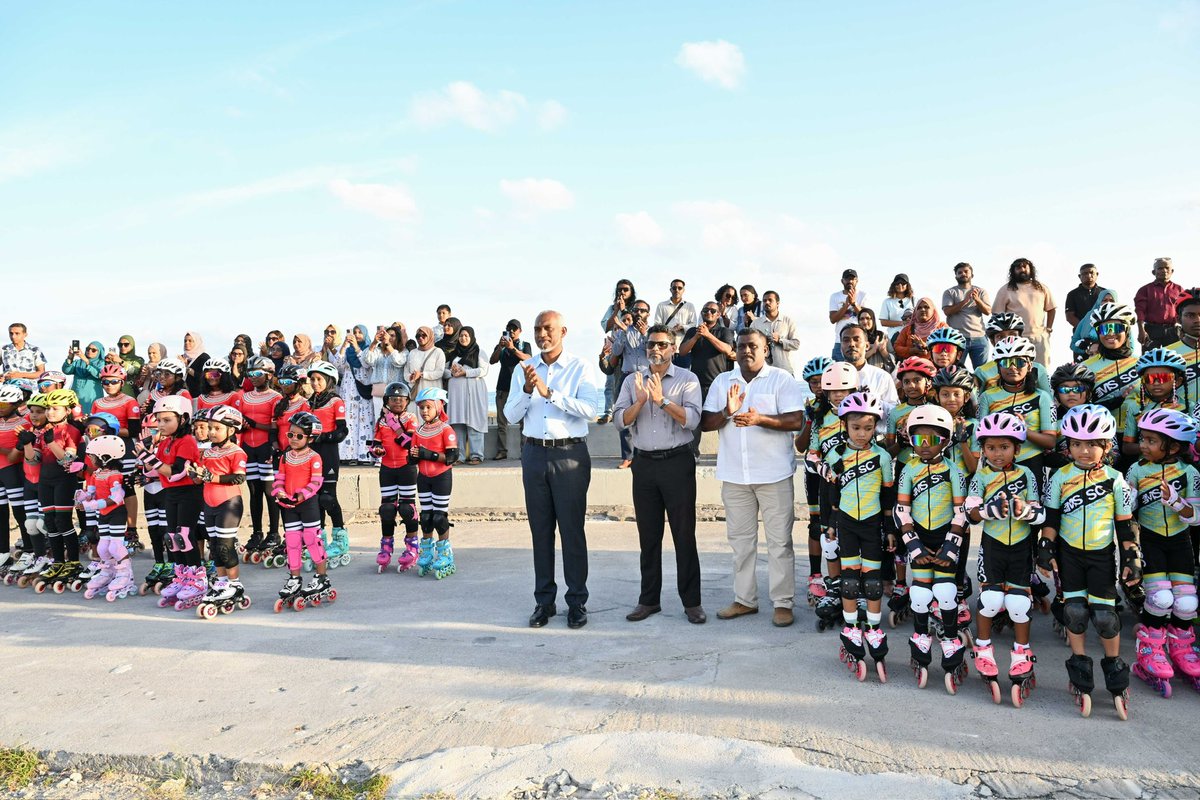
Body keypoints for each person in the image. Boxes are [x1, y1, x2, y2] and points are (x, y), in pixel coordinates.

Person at [701, 328, 805, 627]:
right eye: (742, 346)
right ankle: (744, 600)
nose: (747, 351)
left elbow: (795, 420)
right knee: (741, 543)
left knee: (779, 543)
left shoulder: (781, 379)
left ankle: (783, 603)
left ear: (766, 349)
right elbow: (707, 423)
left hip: (773, 475)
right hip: (735, 476)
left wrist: (760, 419)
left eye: (753, 346)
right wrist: (728, 411)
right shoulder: (724, 381)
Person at [1039, 405, 1138, 719]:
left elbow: (1124, 524)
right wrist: (1046, 547)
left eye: (1092, 444)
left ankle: (1115, 671)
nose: (1084, 450)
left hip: (1100, 556)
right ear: (1068, 446)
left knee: (1106, 617)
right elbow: (1052, 518)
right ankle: (1080, 666)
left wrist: (1132, 557)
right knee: (1075, 612)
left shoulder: (1115, 479)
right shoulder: (1060, 477)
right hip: (1070, 555)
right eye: (1077, 444)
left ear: (1106, 446)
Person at [505, 311, 597, 630]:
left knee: (572, 531)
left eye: (548, 328)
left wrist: (550, 394)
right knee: (540, 532)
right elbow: (509, 414)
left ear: (563, 331)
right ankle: (544, 602)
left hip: (569, 455)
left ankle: (577, 602)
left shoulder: (579, 368)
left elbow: (592, 410)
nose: (543, 334)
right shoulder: (524, 369)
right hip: (533, 454)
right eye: (538, 329)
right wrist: (530, 391)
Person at [613, 325, 705, 624]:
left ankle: (691, 602)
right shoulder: (632, 381)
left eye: (663, 344)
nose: (656, 349)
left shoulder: (687, 379)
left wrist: (662, 400)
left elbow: (692, 420)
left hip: (677, 462)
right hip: (644, 465)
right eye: (652, 344)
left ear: (673, 348)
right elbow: (619, 422)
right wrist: (640, 400)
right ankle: (648, 600)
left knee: (683, 535)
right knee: (648, 536)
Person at [966, 412, 1044, 705]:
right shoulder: (980, 476)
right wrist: (987, 511)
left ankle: (1021, 651)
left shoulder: (1027, 475)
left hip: (1022, 546)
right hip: (993, 545)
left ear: (1017, 448)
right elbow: (970, 514)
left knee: (1019, 604)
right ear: (983, 449)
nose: (997, 454)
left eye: (1004, 447)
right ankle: (983, 649)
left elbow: (1041, 513)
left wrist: (1026, 510)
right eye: (991, 448)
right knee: (990, 601)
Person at [1124, 408, 1200, 693]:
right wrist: (1127, 498)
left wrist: (1177, 502)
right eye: (1143, 438)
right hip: (1151, 539)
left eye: (1151, 440)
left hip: (1180, 540)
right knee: (1161, 597)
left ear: (1174, 446)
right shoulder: (1137, 469)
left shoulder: (1189, 472)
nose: (1143, 444)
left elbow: (1196, 517)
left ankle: (1182, 648)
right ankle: (1150, 648)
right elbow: (1126, 511)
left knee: (1187, 603)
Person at [819, 390, 893, 680]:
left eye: (868, 427)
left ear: (876, 426)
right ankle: (850, 627)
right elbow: (830, 494)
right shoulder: (836, 455)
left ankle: (874, 629)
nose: (862, 434)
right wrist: (829, 524)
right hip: (847, 523)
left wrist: (889, 529)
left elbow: (887, 495)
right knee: (849, 580)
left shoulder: (882, 456)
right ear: (845, 425)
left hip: (872, 523)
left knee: (872, 583)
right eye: (856, 427)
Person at [896, 405, 970, 690]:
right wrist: (912, 543)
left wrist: (950, 545)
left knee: (946, 592)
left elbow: (961, 510)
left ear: (947, 440)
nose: (925, 446)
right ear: (910, 440)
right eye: (918, 440)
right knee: (920, 594)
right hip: (919, 537)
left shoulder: (953, 470)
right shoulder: (908, 469)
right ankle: (920, 639)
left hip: (945, 536)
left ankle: (950, 640)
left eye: (933, 440)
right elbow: (901, 509)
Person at [188, 405, 249, 616]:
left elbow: (239, 477)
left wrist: (210, 477)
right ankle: (222, 583)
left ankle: (235, 584)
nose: (211, 432)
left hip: (228, 503)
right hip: (209, 503)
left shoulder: (237, 451)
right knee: (214, 547)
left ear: (231, 430)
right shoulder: (208, 452)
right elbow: (200, 479)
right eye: (210, 428)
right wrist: (193, 474)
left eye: (217, 428)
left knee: (225, 547)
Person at [272, 411, 336, 612]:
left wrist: (301, 495)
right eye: (290, 434)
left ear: (310, 437)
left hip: (307, 504)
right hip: (289, 505)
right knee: (291, 542)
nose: (293, 439)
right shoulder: (285, 457)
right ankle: (294, 579)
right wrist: (279, 492)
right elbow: (279, 478)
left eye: (299, 436)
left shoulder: (314, 457)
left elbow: (317, 481)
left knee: (311, 539)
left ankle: (321, 578)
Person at [234, 355, 283, 560]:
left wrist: (252, 423)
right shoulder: (243, 397)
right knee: (253, 491)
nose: (253, 378)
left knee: (269, 491)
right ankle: (257, 533)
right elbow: (237, 421)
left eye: (257, 374)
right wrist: (240, 424)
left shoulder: (276, 397)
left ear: (269, 375)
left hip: (266, 447)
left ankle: (273, 533)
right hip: (248, 447)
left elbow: (275, 426)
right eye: (250, 374)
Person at [408, 387, 459, 579]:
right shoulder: (418, 431)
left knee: (439, 517)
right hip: (423, 477)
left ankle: (445, 552)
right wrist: (412, 457)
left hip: (441, 477)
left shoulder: (446, 429)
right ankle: (427, 551)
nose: (424, 412)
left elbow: (453, 456)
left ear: (439, 406)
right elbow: (412, 457)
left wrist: (427, 455)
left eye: (428, 407)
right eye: (421, 408)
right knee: (426, 517)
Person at [369, 381, 420, 573]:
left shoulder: (411, 418)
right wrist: (377, 451)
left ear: (407, 401)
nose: (397, 402)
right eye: (393, 399)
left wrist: (393, 423)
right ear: (387, 401)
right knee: (387, 509)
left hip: (406, 468)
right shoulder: (380, 422)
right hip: (387, 468)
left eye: (401, 399)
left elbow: (407, 443)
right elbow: (374, 445)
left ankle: (412, 546)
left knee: (407, 508)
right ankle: (386, 546)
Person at [305, 360, 351, 566]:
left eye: (319, 379)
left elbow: (343, 431)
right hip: (310, 455)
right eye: (312, 379)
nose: (315, 383)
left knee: (327, 497)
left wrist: (323, 437)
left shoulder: (335, 401)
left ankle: (340, 540)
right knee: (313, 498)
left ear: (329, 381)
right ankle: (319, 538)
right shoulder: (309, 402)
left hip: (328, 452)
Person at [1119, 349, 1190, 458]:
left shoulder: (1189, 407)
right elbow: (1126, 447)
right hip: (1145, 470)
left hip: (1182, 468)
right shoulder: (1135, 408)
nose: (1156, 383)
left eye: (1164, 378)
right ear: (1143, 382)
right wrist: (1153, 447)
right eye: (1150, 379)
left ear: (1178, 381)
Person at [608, 299, 652, 468]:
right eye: (636, 309)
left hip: (646, 378)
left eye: (643, 310)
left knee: (647, 416)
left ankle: (643, 455)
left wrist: (644, 335)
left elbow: (656, 353)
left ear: (648, 313)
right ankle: (627, 456)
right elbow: (616, 352)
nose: (639, 312)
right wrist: (625, 332)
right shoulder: (624, 330)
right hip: (627, 377)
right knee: (624, 416)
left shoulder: (653, 331)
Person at [993, 258, 1056, 367]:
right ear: (1013, 271)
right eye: (1018, 268)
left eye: (1025, 267)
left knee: (1042, 369)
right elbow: (996, 314)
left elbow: (1051, 308)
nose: (1022, 270)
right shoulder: (1005, 290)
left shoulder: (1041, 288)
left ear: (1030, 269)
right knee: (1017, 369)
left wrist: (1048, 329)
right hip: (1016, 338)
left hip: (1039, 337)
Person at [331, 325, 377, 466]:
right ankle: (348, 455)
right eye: (354, 332)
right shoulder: (348, 351)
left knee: (365, 421)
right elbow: (337, 364)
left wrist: (357, 347)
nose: (356, 335)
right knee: (349, 421)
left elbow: (366, 364)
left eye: (359, 332)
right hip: (348, 389)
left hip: (364, 388)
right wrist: (344, 345)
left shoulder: (370, 349)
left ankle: (365, 455)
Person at [444, 326, 489, 464]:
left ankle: (476, 455)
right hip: (456, 395)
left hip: (474, 393)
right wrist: (452, 372)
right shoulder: (453, 354)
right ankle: (459, 456)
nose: (463, 338)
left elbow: (483, 370)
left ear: (472, 337)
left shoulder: (479, 352)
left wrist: (465, 373)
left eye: (466, 336)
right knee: (457, 425)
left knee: (474, 423)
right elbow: (443, 372)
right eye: (461, 335)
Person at [489, 319, 532, 460]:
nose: (512, 331)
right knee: (502, 422)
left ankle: (525, 451)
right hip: (503, 387)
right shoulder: (501, 346)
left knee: (523, 422)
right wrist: (501, 348)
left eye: (515, 329)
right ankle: (502, 451)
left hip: (520, 388)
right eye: (509, 329)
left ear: (520, 331)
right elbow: (492, 360)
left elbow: (528, 358)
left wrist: (512, 348)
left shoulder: (525, 345)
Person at [837, 325, 899, 420]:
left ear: (867, 346)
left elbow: (894, 412)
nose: (851, 344)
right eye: (846, 340)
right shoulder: (833, 377)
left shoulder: (882, 377)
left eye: (856, 339)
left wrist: (870, 401)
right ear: (841, 346)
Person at [599, 280, 637, 423]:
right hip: (614, 347)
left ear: (631, 291)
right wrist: (616, 310)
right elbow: (606, 327)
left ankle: (628, 411)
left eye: (626, 289)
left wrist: (625, 310)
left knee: (629, 380)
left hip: (631, 349)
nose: (622, 292)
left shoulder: (635, 308)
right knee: (610, 381)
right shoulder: (611, 308)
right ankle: (609, 411)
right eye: (619, 289)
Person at [941, 263, 992, 369]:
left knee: (981, 372)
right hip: (957, 339)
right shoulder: (950, 292)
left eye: (966, 272)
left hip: (979, 338)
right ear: (956, 276)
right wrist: (966, 300)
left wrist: (977, 299)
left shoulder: (980, 291)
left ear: (972, 275)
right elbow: (947, 311)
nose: (963, 274)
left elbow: (988, 311)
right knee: (955, 371)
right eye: (959, 273)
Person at [1134, 257, 1185, 350]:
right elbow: (1140, 311)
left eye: (1167, 268)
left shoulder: (1179, 289)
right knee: (1149, 359)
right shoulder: (1145, 290)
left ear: (1172, 271)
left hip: (1173, 330)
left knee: (1175, 360)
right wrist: (1141, 330)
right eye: (1160, 268)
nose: (1164, 270)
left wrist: (1184, 330)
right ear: (1154, 272)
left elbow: (1183, 311)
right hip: (1151, 330)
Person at [749, 290, 800, 374]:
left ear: (777, 303)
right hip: (763, 372)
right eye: (764, 301)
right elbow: (750, 345)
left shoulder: (788, 321)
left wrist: (780, 340)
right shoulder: (756, 323)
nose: (767, 302)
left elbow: (796, 344)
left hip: (785, 371)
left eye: (770, 300)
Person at [653, 278, 697, 356]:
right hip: (665, 347)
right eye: (674, 288)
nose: (677, 290)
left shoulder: (690, 306)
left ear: (683, 290)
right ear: (670, 290)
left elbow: (693, 325)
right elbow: (657, 325)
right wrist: (670, 330)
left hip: (684, 348)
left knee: (684, 368)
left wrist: (682, 327)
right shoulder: (662, 305)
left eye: (679, 288)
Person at [829, 269, 866, 360]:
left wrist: (854, 303)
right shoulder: (835, 296)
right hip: (840, 341)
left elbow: (865, 317)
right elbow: (833, 319)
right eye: (847, 279)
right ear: (842, 281)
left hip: (858, 341)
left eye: (852, 279)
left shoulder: (863, 295)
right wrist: (846, 305)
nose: (850, 281)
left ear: (857, 280)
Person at [62, 341, 105, 413]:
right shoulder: (78, 362)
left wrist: (85, 359)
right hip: (76, 398)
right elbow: (66, 370)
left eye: (93, 350)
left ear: (100, 352)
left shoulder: (101, 363)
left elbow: (99, 375)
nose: (89, 351)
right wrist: (70, 357)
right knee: (74, 419)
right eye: (88, 349)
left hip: (92, 398)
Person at [406, 327, 446, 401]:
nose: (420, 338)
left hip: (431, 393)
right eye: (418, 336)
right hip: (415, 392)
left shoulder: (438, 352)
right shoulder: (412, 353)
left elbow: (440, 372)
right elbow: (406, 372)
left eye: (424, 335)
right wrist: (411, 376)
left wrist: (422, 374)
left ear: (430, 336)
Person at [1064, 264, 1106, 329]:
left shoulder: (1104, 293)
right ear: (1079, 276)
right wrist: (1084, 328)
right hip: (1081, 333)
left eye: (1092, 273)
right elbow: (1070, 317)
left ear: (1097, 274)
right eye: (1085, 273)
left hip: (1103, 332)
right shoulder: (1072, 294)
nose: (1089, 275)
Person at [180, 332, 210, 398]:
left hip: (198, 395)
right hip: (182, 395)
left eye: (190, 341)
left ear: (197, 342)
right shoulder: (182, 357)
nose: (187, 343)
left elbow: (205, 377)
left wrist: (187, 368)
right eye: (185, 341)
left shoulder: (204, 357)